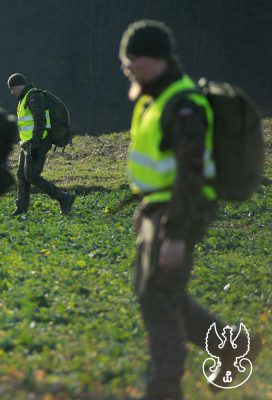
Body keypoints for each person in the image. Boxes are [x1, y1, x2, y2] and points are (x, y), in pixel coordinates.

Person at [119, 20, 262, 399]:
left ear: (154, 59)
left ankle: (164, 388)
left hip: (182, 210)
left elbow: (190, 174)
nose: (127, 67)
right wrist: (147, 211)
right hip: (161, 208)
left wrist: (177, 233)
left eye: (132, 58)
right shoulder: (155, 98)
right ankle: (231, 346)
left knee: (159, 298)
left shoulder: (183, 105)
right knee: (157, 292)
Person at [8, 73, 75, 216]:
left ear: (19, 85)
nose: (11, 92)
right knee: (22, 175)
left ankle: (64, 198)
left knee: (32, 176)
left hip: (38, 142)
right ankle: (21, 208)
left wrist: (35, 144)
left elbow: (41, 122)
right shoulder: (23, 99)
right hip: (26, 143)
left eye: (12, 88)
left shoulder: (34, 97)